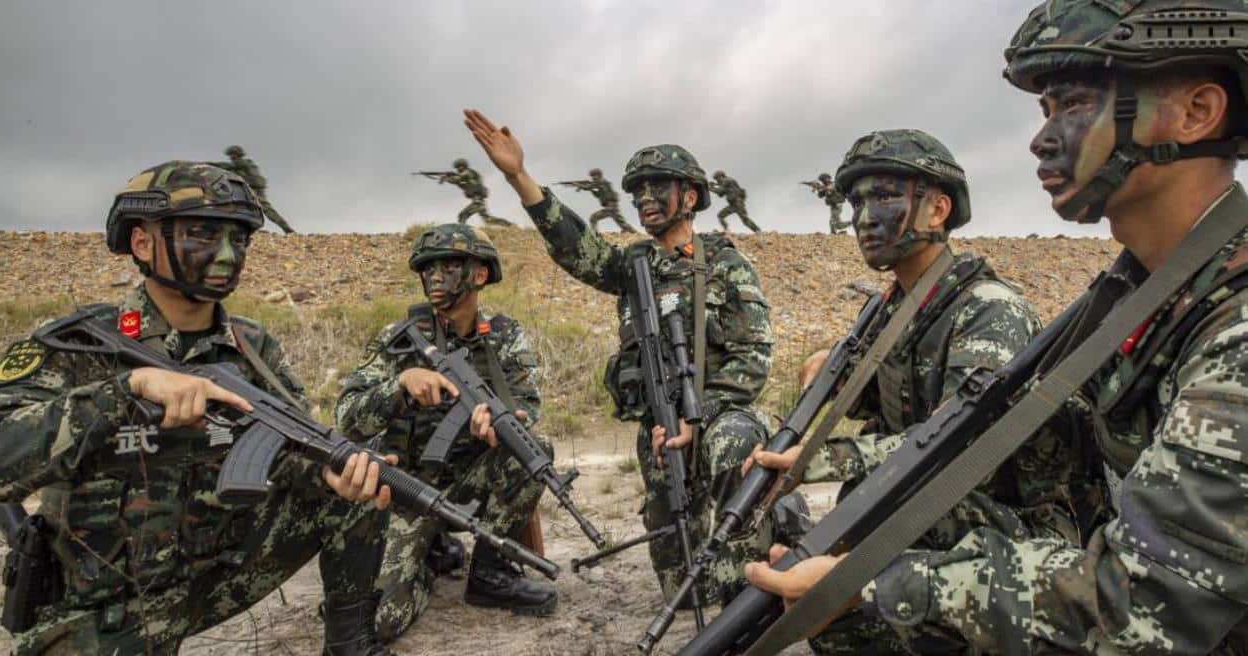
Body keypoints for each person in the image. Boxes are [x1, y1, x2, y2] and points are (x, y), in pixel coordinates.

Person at [747, 2, 1248, 652]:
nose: (1041, 140)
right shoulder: (1134, 295)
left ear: (1196, 112)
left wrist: (878, 584)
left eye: (1071, 105)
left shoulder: (1231, 327)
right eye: (1044, 112)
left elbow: (1142, 603)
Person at [0, 161, 392, 655]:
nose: (227, 255)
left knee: (357, 487)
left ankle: (351, 645)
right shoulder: (80, 342)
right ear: (142, 243)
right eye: (202, 234)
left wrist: (331, 475)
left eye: (239, 239)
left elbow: (291, 452)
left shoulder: (252, 347)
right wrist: (125, 391)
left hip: (215, 576)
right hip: (106, 607)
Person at [747, 129, 1090, 653]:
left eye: (884, 196)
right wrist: (833, 373)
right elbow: (889, 402)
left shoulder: (988, 310)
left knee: (867, 535)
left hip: (1015, 526)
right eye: (857, 201)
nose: (864, 216)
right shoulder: (896, 310)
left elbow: (958, 445)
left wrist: (819, 460)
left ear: (937, 211)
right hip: (947, 506)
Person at [462, 108, 777, 605]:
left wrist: (702, 415)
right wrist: (519, 177)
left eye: (657, 188)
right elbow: (574, 246)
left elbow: (754, 356)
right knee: (686, 591)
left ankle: (756, 583)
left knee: (736, 457)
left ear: (690, 197)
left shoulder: (726, 264)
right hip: (658, 428)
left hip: (719, 418)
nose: (645, 200)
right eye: (637, 193)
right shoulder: (632, 267)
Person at [335, 223, 556, 640]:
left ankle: (490, 574)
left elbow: (527, 405)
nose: (435, 276)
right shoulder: (398, 340)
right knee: (379, 623)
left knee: (534, 450)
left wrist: (501, 423)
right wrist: (400, 386)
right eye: (428, 268)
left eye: (450, 266)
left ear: (479, 275)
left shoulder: (504, 338)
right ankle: (429, 559)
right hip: (404, 491)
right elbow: (347, 418)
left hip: (466, 486)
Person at [216, 145, 295, 233]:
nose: (230, 157)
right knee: (255, 208)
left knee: (264, 209)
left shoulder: (240, 163)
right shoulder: (247, 164)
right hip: (256, 188)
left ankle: (286, 228)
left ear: (236, 154)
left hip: (254, 188)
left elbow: (223, 166)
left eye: (232, 154)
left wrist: (204, 164)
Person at [441, 158, 513, 227]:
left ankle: (462, 230)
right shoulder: (468, 177)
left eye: (459, 167)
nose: (458, 169)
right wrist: (450, 178)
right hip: (478, 200)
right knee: (487, 219)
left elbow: (457, 179)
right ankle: (508, 225)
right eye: (457, 168)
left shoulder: (467, 172)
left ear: (464, 166)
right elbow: (461, 184)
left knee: (463, 215)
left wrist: (447, 178)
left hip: (477, 200)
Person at [577, 168, 637, 232]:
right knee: (623, 224)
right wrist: (590, 190)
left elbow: (589, 186)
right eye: (592, 176)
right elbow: (598, 195)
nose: (593, 178)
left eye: (594, 175)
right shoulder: (602, 183)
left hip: (611, 207)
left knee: (593, 218)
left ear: (599, 175)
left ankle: (594, 234)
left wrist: (578, 185)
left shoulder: (601, 181)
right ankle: (635, 233)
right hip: (612, 207)